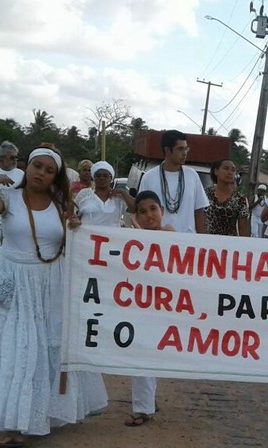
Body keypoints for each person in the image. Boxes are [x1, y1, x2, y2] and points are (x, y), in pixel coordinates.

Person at [0, 144, 108, 448]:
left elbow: (74, 245)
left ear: (56, 176)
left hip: (49, 283)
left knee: (44, 349)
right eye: (36, 166)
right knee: (14, 349)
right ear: (25, 167)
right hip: (11, 282)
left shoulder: (62, 205)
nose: (40, 173)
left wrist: (75, 228)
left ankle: (40, 414)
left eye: (48, 170)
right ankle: (12, 424)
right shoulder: (9, 198)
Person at [124, 190, 174, 426]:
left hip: (168, 306)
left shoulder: (173, 236)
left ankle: (148, 400)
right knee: (140, 352)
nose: (149, 215)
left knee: (157, 354)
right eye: (142, 212)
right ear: (136, 217)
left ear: (162, 211)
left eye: (153, 209)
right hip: (140, 305)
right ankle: (142, 408)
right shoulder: (131, 240)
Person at [136, 129, 209, 234]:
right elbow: (141, 211)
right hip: (160, 241)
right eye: (180, 149)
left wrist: (202, 241)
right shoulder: (149, 177)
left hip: (188, 243)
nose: (184, 153)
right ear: (167, 150)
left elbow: (199, 211)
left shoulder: (192, 175)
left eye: (186, 149)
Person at [75, 161, 130, 227]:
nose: (102, 178)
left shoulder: (119, 197)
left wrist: (123, 192)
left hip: (113, 236)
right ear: (94, 178)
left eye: (105, 176)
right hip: (87, 236)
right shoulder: (84, 194)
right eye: (98, 176)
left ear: (111, 178)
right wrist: (74, 220)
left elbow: (134, 210)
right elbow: (73, 213)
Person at [204, 158, 250, 236]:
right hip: (206, 244)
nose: (230, 172)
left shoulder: (240, 199)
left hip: (229, 245)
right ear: (216, 171)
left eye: (233, 170)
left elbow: (243, 231)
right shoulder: (204, 194)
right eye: (226, 168)